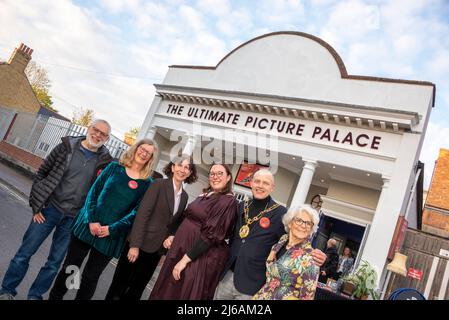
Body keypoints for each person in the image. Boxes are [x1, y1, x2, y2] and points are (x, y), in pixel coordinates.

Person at [0, 120, 112, 300]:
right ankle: (7, 291)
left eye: (103, 134)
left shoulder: (105, 162)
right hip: (48, 210)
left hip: (72, 219)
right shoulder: (65, 147)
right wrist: (37, 206)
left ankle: (35, 296)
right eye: (95, 130)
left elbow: (101, 192)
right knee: (24, 253)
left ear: (107, 139)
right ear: (88, 128)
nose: (98, 135)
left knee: (54, 263)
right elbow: (42, 173)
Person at [48, 139, 157, 300]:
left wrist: (111, 229)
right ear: (136, 149)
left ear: (151, 158)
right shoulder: (114, 168)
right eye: (142, 149)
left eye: (148, 153)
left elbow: (137, 212)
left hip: (111, 237)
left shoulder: (148, 183)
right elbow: (93, 192)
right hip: (87, 227)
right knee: (70, 268)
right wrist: (91, 220)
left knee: (90, 277)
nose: (143, 153)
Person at [214, 169, 326, 300]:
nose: (260, 186)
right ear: (251, 183)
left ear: (272, 188)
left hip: (252, 285)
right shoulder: (241, 206)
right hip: (226, 276)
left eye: (265, 183)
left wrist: (318, 256)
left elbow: (294, 240)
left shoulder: (280, 213)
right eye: (257, 181)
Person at [105, 154, 198, 300]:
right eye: (180, 165)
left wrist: (163, 252)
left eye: (187, 167)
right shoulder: (158, 184)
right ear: (173, 167)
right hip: (139, 245)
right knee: (119, 287)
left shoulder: (185, 196)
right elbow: (143, 214)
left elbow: (172, 224)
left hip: (156, 251)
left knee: (136, 290)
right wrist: (134, 245)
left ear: (190, 173)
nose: (183, 169)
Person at [149, 163, 238, 300]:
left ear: (228, 178)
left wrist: (184, 260)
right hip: (180, 247)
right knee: (165, 289)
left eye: (220, 173)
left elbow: (211, 235)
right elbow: (186, 217)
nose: (215, 177)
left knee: (179, 292)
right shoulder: (206, 194)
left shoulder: (228, 201)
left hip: (195, 255)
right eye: (212, 174)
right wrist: (173, 235)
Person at [253, 205, 320, 300]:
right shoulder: (281, 242)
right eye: (299, 220)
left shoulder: (311, 258)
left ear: (311, 229)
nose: (303, 226)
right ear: (290, 223)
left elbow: (307, 297)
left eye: (308, 223)